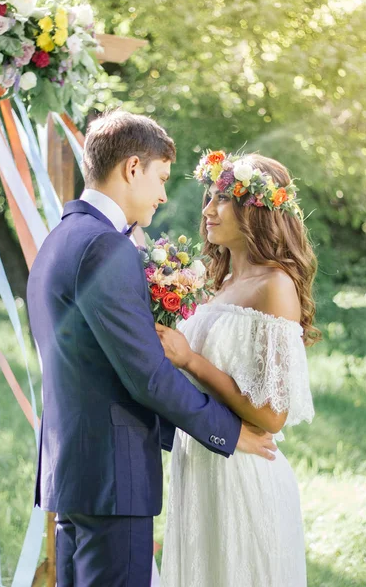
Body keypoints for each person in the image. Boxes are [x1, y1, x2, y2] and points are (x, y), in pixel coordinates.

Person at [26, 113, 276, 587]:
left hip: (74, 472)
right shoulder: (105, 247)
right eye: (161, 178)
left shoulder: (59, 239)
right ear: (132, 167)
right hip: (113, 481)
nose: (164, 194)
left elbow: (96, 365)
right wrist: (227, 431)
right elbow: (148, 375)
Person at [157, 151, 321, 587]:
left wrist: (191, 359)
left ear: (256, 210)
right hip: (199, 471)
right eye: (208, 197)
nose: (207, 210)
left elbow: (272, 415)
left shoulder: (275, 286)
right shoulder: (218, 282)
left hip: (243, 476)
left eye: (222, 200)